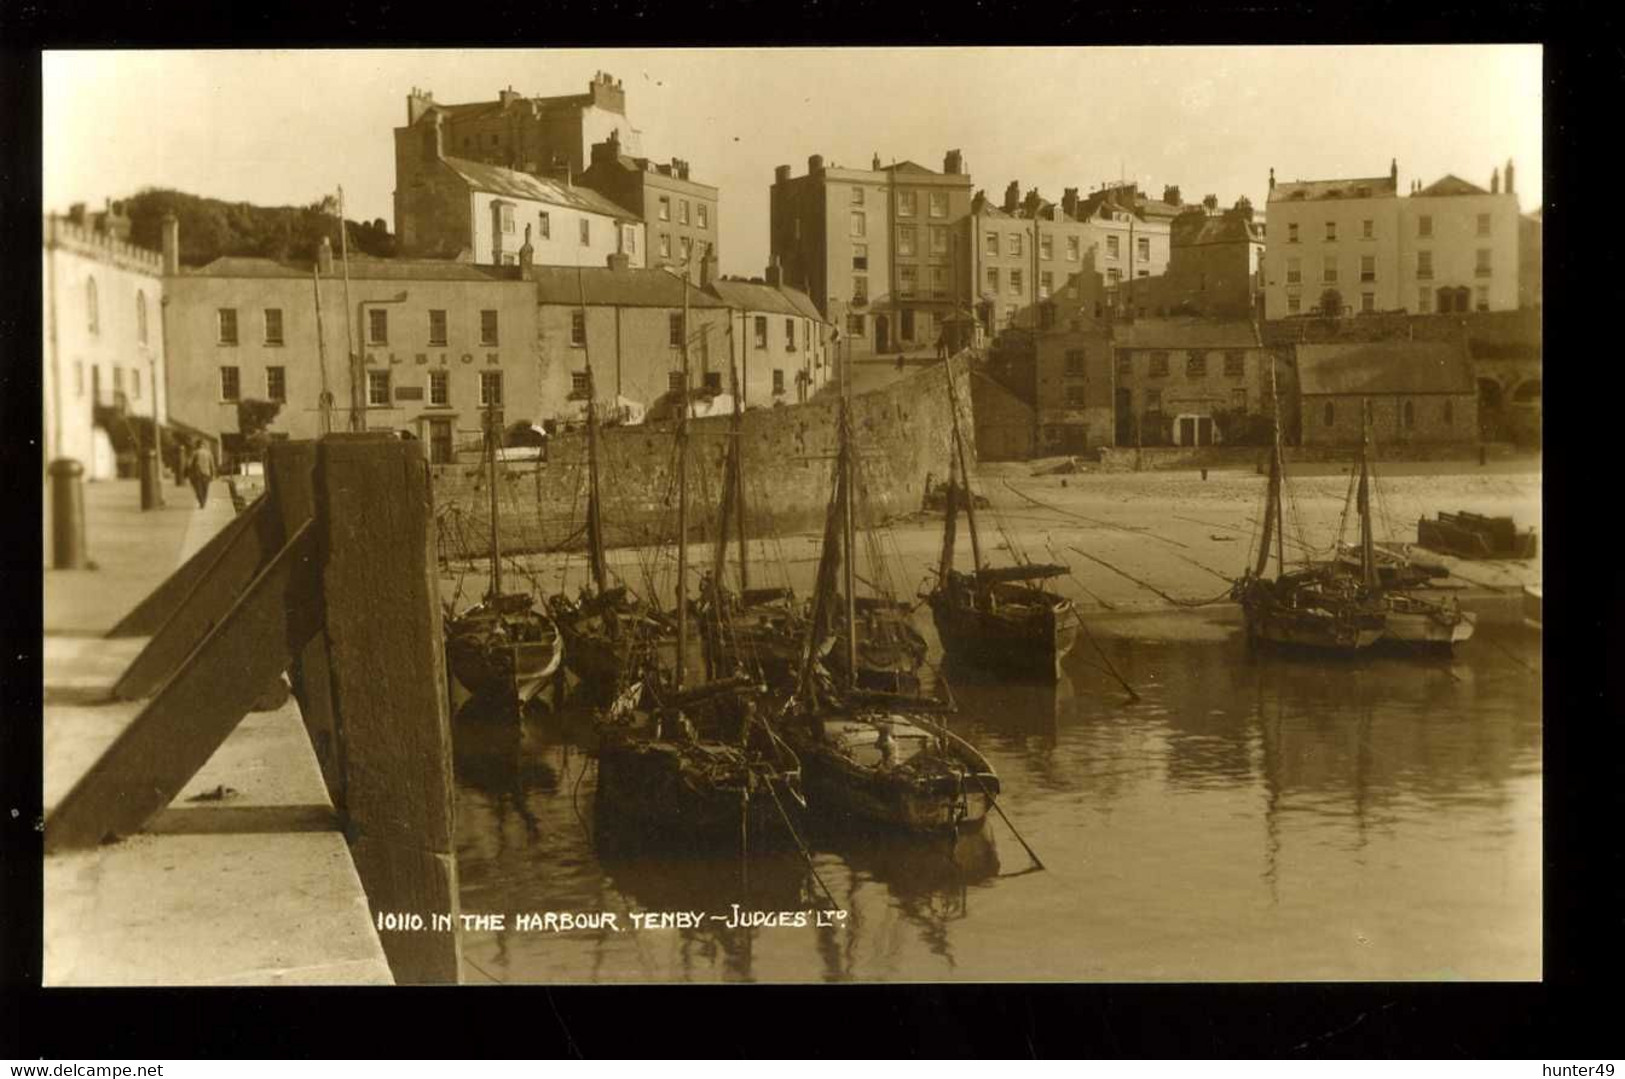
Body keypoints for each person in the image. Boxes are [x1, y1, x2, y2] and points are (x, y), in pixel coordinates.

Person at [186, 440, 217, 509]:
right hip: (207, 473)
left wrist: (190, 473)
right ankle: (204, 502)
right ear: (204, 445)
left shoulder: (195, 453)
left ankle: (201, 502)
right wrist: (213, 474)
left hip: (198, 473)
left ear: (198, 445)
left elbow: (190, 464)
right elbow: (212, 465)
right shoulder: (209, 453)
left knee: (198, 489)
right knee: (205, 489)